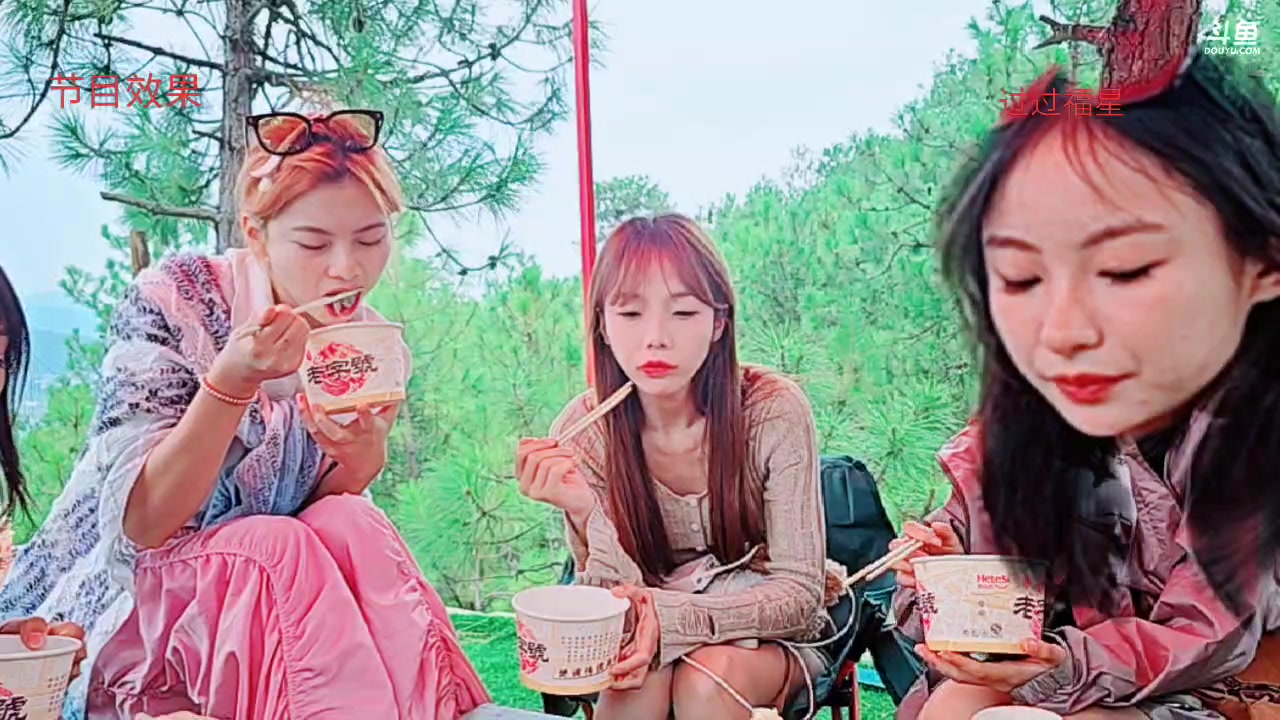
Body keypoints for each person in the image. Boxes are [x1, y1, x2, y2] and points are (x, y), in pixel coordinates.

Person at [0, 110, 490, 719]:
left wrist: (362, 461)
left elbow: (321, 512)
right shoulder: (177, 299)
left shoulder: (368, 345)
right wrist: (230, 383)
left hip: (282, 603)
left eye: (370, 239)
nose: (347, 269)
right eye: (313, 244)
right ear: (256, 235)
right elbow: (143, 525)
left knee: (352, 521)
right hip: (136, 591)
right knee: (273, 544)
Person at [889, 50, 1280, 719]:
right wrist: (940, 575)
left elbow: (1208, 634)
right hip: (1050, 686)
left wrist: (1061, 666)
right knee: (965, 701)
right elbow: (950, 626)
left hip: (1209, 696)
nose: (1062, 327)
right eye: (1022, 278)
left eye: (1125, 269)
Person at [516, 214, 839, 719]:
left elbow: (800, 595)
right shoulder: (585, 432)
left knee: (705, 679)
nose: (656, 338)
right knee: (634, 686)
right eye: (630, 313)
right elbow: (613, 608)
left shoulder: (771, 410)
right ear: (602, 325)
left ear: (718, 323)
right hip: (647, 634)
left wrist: (670, 621)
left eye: (684, 312)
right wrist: (584, 512)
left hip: (767, 639)